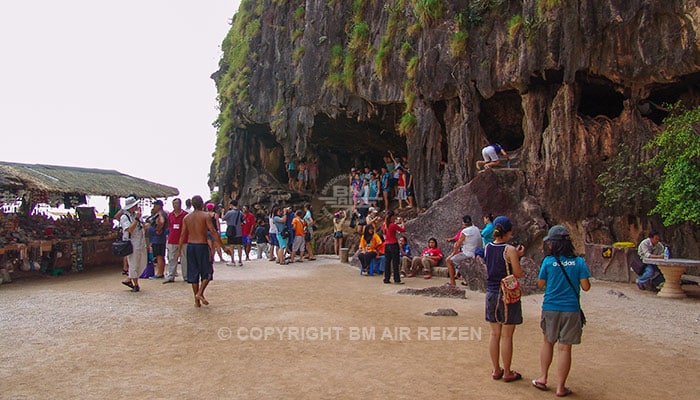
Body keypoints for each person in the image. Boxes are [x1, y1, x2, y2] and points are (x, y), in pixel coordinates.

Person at [533, 225, 591, 397]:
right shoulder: (579, 262)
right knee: (565, 349)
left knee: (547, 342)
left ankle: (543, 378)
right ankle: (560, 387)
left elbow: (540, 284)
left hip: (550, 307)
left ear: (553, 244)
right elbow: (586, 287)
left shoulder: (548, 262)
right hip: (570, 309)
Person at [484, 215, 525, 383]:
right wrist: (518, 256)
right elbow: (518, 273)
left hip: (491, 292)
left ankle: (496, 369)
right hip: (506, 294)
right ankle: (507, 371)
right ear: (509, 232)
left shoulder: (487, 247)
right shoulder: (509, 250)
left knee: (495, 334)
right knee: (507, 336)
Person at [177, 195, 228, 307]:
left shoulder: (186, 218)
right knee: (207, 272)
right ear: (202, 204)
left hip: (191, 246)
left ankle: (197, 301)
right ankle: (200, 293)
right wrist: (223, 247)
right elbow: (213, 231)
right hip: (202, 245)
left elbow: (182, 235)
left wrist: (179, 250)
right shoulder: (205, 216)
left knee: (193, 273)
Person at [446, 215, 483, 286]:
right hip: (476, 252)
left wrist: (453, 254)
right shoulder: (476, 228)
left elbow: (458, 244)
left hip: (468, 254)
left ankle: (452, 283)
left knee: (448, 260)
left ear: (463, 223)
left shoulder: (465, 231)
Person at [120, 195, 147, 292]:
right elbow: (129, 229)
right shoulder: (124, 217)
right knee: (133, 264)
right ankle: (135, 284)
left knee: (142, 262)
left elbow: (143, 227)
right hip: (132, 244)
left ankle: (129, 278)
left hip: (141, 242)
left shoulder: (137, 215)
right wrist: (136, 219)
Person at [164, 198, 187, 283]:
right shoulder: (170, 215)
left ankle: (186, 276)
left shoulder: (185, 215)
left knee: (184, 259)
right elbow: (169, 226)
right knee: (172, 258)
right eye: (174, 204)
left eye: (176, 204)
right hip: (172, 240)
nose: (175, 206)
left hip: (184, 240)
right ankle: (171, 276)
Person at [381, 210, 405, 284]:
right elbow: (402, 230)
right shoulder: (393, 225)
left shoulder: (384, 225)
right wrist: (402, 222)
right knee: (395, 262)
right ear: (392, 217)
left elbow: (384, 232)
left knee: (387, 262)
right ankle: (396, 279)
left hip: (387, 244)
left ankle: (386, 278)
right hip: (393, 244)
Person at [146, 199, 167, 279]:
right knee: (160, 256)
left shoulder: (160, 214)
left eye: (155, 206)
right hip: (158, 238)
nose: (154, 207)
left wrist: (158, 229)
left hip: (157, 239)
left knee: (159, 256)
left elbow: (161, 222)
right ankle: (160, 272)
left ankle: (159, 273)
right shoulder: (162, 213)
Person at [222, 200, 244, 266]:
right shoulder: (240, 212)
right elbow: (243, 221)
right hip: (239, 231)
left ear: (231, 205)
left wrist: (222, 212)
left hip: (231, 231)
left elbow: (223, 218)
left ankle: (232, 260)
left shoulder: (229, 212)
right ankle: (240, 261)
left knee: (231, 246)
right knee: (239, 246)